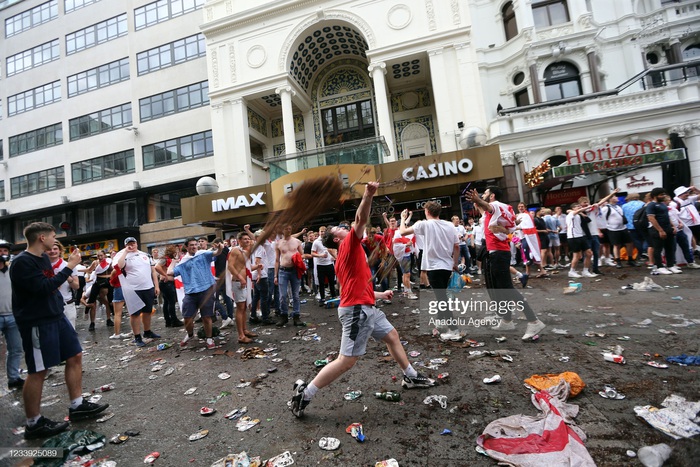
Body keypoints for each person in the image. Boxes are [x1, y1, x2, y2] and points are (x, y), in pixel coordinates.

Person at [289, 182, 435, 418]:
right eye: (340, 229)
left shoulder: (350, 253)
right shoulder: (348, 245)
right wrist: (367, 194)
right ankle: (305, 394)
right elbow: (360, 219)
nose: (344, 228)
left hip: (365, 307)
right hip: (357, 311)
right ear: (337, 240)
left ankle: (410, 374)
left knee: (392, 336)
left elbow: (357, 287)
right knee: (346, 361)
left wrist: (379, 295)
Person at [10, 222, 108, 439]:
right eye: (53, 236)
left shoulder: (43, 258)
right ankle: (34, 423)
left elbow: (51, 285)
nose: (56, 240)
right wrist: (70, 266)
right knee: (38, 370)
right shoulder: (22, 262)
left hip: (56, 315)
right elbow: (43, 288)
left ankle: (77, 405)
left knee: (75, 355)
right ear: (42, 238)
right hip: (37, 321)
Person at [465, 187, 546, 340]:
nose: (484, 194)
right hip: (497, 252)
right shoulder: (502, 209)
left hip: (498, 253)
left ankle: (533, 320)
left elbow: (488, 207)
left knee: (508, 289)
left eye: (486, 192)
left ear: (493, 195)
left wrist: (477, 200)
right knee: (502, 289)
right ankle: (507, 320)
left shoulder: (495, 205)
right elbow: (491, 214)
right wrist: (479, 203)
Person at [399, 201, 460, 340]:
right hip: (446, 266)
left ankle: (453, 329)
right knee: (442, 296)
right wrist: (454, 263)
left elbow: (402, 231)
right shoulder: (450, 225)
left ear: (427, 211)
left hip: (434, 266)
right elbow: (457, 247)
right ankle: (440, 324)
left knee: (441, 298)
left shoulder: (424, 224)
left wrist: (403, 218)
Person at [168, 238, 223, 349]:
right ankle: (190, 335)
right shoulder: (184, 261)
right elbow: (170, 273)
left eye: (195, 244)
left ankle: (209, 338)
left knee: (206, 317)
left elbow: (217, 253)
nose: (194, 246)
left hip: (206, 289)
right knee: (187, 317)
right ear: (187, 247)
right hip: (190, 292)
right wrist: (173, 262)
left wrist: (220, 247)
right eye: (191, 245)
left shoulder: (203, 254)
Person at [114, 237, 161, 348]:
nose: (131, 245)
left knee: (147, 311)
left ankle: (147, 331)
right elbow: (119, 267)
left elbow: (153, 271)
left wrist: (156, 285)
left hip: (148, 287)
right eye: (129, 244)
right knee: (134, 313)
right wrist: (126, 251)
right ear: (126, 245)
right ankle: (137, 337)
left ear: (136, 244)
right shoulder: (123, 256)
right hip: (133, 289)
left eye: (133, 243)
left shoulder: (145, 255)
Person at [228, 229, 259, 343]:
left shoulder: (245, 252)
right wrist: (240, 278)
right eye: (245, 239)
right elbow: (230, 267)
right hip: (238, 282)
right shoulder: (235, 251)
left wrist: (257, 266)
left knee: (244, 307)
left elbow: (247, 267)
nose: (247, 241)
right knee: (240, 308)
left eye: (248, 239)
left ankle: (245, 330)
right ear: (239, 240)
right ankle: (240, 335)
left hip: (245, 282)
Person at [1, 240, 24, 389]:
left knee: (15, 349)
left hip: (13, 316)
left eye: (4, 251)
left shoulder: (14, 270)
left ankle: (14, 378)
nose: (2, 254)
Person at [274, 225, 305, 327]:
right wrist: (275, 275)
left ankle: (296, 316)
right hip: (283, 271)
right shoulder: (278, 243)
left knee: (295, 295)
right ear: (282, 230)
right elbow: (277, 260)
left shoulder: (296, 241)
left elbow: (302, 255)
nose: (288, 230)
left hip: (294, 270)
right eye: (286, 229)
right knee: (282, 295)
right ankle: (284, 316)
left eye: (290, 229)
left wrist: (298, 259)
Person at [647, 187, 681, 275]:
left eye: (664, 194)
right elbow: (651, 218)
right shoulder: (651, 205)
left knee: (670, 247)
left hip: (668, 228)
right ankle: (659, 266)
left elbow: (667, 216)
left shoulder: (663, 204)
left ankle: (670, 265)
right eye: (661, 194)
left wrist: (672, 226)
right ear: (655, 196)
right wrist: (660, 230)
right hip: (657, 230)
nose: (664, 196)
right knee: (658, 248)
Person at [47, 241, 79, 329]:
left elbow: (76, 286)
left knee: (70, 337)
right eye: (49, 249)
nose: (52, 251)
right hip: (49, 306)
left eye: (55, 249)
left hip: (67, 305)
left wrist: (68, 278)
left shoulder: (68, 265)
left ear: (60, 251)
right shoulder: (42, 266)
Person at [153, 244, 184, 327]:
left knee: (167, 302)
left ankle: (168, 321)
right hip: (166, 283)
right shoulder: (165, 259)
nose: (177, 253)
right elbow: (157, 267)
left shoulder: (168, 259)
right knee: (171, 302)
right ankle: (173, 320)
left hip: (165, 283)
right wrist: (165, 275)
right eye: (176, 252)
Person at [85, 250, 114, 331]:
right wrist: (78, 270)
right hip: (98, 282)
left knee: (109, 301)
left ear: (105, 255)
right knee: (91, 301)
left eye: (101, 255)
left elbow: (113, 272)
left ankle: (109, 319)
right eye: (98, 256)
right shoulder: (95, 263)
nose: (100, 257)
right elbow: (89, 270)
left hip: (107, 282)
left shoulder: (109, 262)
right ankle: (91, 322)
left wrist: (108, 276)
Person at [211, 237, 234, 329]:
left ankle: (225, 317)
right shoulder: (228, 251)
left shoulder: (220, 252)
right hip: (225, 277)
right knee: (227, 297)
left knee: (214, 299)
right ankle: (230, 318)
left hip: (219, 277)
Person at [311, 226, 336, 305]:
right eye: (321, 231)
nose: (322, 233)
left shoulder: (329, 240)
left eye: (324, 231)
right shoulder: (316, 242)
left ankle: (333, 297)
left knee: (331, 281)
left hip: (329, 264)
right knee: (321, 283)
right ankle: (322, 298)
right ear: (319, 232)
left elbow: (335, 248)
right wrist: (320, 255)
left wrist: (334, 256)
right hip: (320, 264)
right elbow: (312, 253)